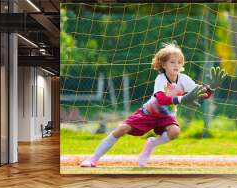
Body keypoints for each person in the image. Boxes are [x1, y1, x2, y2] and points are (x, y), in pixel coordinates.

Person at [80, 43, 226, 167]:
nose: (177, 65)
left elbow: (201, 94)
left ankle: (151, 144)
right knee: (122, 129)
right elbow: (161, 99)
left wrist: (211, 88)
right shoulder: (160, 78)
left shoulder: (185, 79)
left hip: (166, 116)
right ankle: (93, 159)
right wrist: (183, 98)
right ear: (163, 64)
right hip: (148, 113)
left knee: (174, 132)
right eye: (172, 62)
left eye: (179, 62)